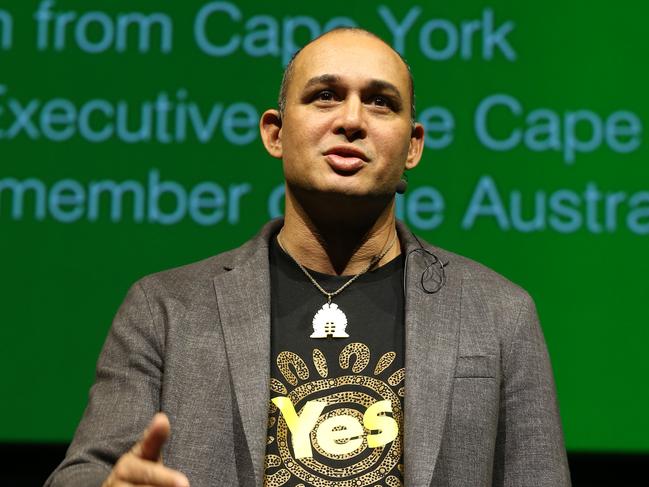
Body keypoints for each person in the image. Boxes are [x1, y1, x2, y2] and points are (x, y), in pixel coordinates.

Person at [45, 28, 570, 487]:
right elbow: (84, 473)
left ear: (413, 146)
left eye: (380, 102)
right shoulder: (166, 309)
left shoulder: (500, 314)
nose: (352, 120)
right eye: (325, 96)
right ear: (275, 133)